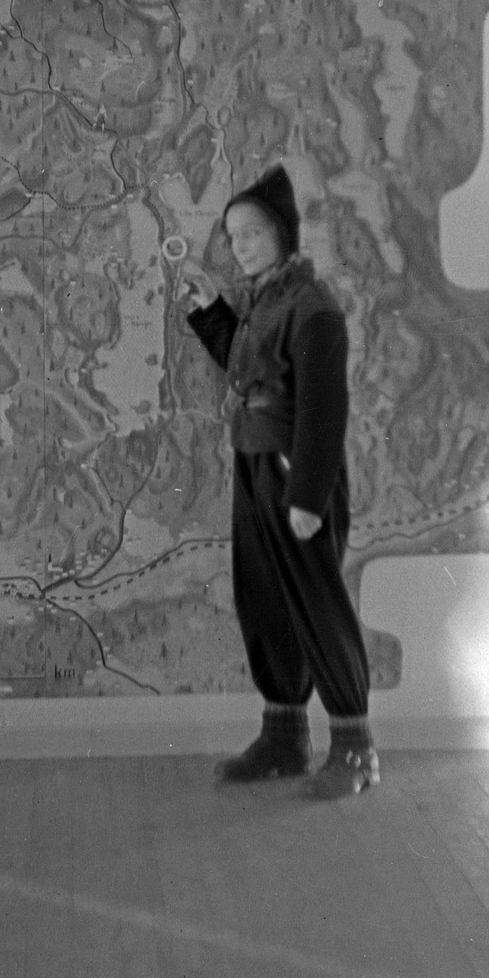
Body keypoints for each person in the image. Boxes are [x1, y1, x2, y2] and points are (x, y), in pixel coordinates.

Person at [179, 164, 380, 798]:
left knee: (316, 604)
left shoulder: (313, 309)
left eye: (254, 233)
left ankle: (355, 750)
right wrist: (211, 313)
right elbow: (251, 371)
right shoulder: (267, 299)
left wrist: (308, 496)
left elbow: (324, 411)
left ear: (285, 233)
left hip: (295, 471)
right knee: (264, 601)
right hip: (255, 462)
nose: (241, 245)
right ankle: (285, 738)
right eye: (234, 235)